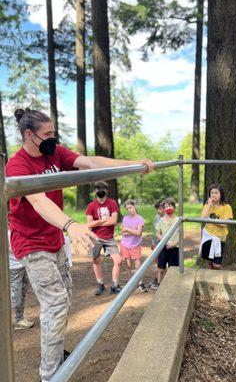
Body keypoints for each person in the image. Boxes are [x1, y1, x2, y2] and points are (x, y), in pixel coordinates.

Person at [5, 108, 153, 382]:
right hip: (31, 243)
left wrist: (133, 164)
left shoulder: (54, 153)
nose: (53, 138)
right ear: (29, 135)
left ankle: (54, 352)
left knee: (65, 299)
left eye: (53, 132)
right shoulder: (17, 165)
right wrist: (71, 226)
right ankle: (49, 375)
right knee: (56, 303)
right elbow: (39, 201)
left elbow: (90, 161)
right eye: (47, 134)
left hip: (54, 239)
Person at [86, 181, 123, 295]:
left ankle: (115, 285)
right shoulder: (91, 205)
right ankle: (100, 284)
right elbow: (89, 224)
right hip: (95, 238)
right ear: (95, 191)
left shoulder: (112, 203)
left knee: (118, 260)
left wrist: (97, 222)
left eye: (103, 189)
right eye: (98, 189)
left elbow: (114, 221)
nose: (100, 191)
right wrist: (103, 220)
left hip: (109, 238)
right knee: (96, 261)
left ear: (107, 190)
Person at [199, 184, 233, 269]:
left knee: (217, 264)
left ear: (221, 194)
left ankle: (215, 276)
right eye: (211, 193)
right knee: (208, 261)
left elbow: (224, 224)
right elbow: (203, 219)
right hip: (208, 236)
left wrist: (210, 220)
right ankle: (209, 278)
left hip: (220, 238)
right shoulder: (207, 206)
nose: (213, 195)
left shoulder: (227, 207)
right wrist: (209, 206)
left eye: (216, 193)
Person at [8, 227, 34, 331]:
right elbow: (16, 248)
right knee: (15, 296)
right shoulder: (8, 234)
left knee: (22, 293)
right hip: (13, 269)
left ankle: (20, 319)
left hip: (22, 266)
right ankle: (16, 320)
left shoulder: (14, 232)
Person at [120, 200, 147, 292]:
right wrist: (133, 230)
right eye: (127, 209)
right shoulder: (125, 218)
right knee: (128, 265)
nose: (129, 210)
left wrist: (128, 229)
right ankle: (130, 282)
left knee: (137, 264)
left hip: (135, 245)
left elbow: (138, 233)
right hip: (125, 244)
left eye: (130, 207)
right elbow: (123, 233)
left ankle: (140, 283)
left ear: (134, 206)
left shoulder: (140, 219)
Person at [155, 198, 179, 285]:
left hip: (175, 247)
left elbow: (181, 234)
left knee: (173, 269)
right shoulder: (161, 220)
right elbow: (158, 233)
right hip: (163, 247)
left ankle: (172, 285)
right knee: (161, 268)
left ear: (174, 207)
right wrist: (165, 241)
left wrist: (174, 244)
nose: (168, 208)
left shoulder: (178, 220)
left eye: (170, 206)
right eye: (166, 207)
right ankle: (159, 284)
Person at [148, 199, 164, 290]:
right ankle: (157, 279)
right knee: (158, 262)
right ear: (157, 209)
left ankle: (159, 279)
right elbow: (156, 232)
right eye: (159, 208)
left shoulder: (165, 217)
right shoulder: (157, 218)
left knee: (161, 262)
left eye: (163, 208)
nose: (161, 210)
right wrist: (153, 243)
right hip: (156, 243)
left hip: (161, 243)